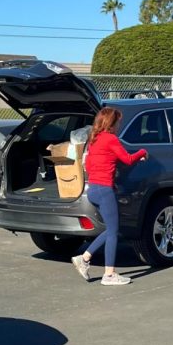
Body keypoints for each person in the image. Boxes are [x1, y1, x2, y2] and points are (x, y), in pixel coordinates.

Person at [71, 106, 147, 286]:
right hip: (105, 190)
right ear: (111, 123)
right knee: (113, 231)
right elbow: (127, 159)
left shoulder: (94, 140)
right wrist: (142, 153)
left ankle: (85, 257)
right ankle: (109, 274)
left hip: (93, 190)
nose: (119, 125)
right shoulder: (111, 139)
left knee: (110, 229)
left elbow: (88, 165)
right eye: (118, 122)